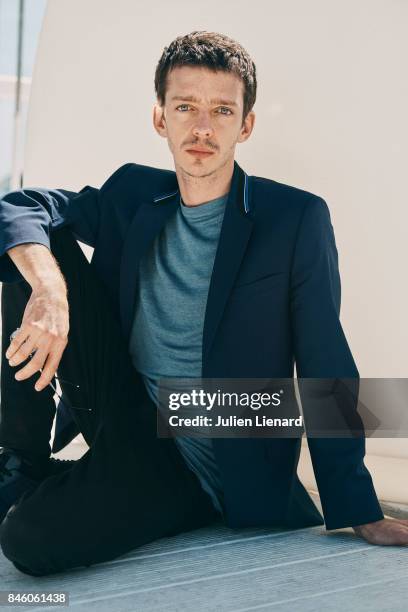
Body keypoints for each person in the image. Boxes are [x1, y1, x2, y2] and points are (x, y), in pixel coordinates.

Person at [0, 31, 407, 576]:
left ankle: (133, 496)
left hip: (203, 460)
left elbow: (325, 359)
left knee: (27, 540)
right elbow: (19, 207)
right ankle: (21, 463)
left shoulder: (293, 220)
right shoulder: (132, 193)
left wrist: (358, 506)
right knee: (34, 249)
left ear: (246, 125)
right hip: (124, 410)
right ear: (160, 119)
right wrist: (51, 294)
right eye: (185, 107)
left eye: (221, 110)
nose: (202, 128)